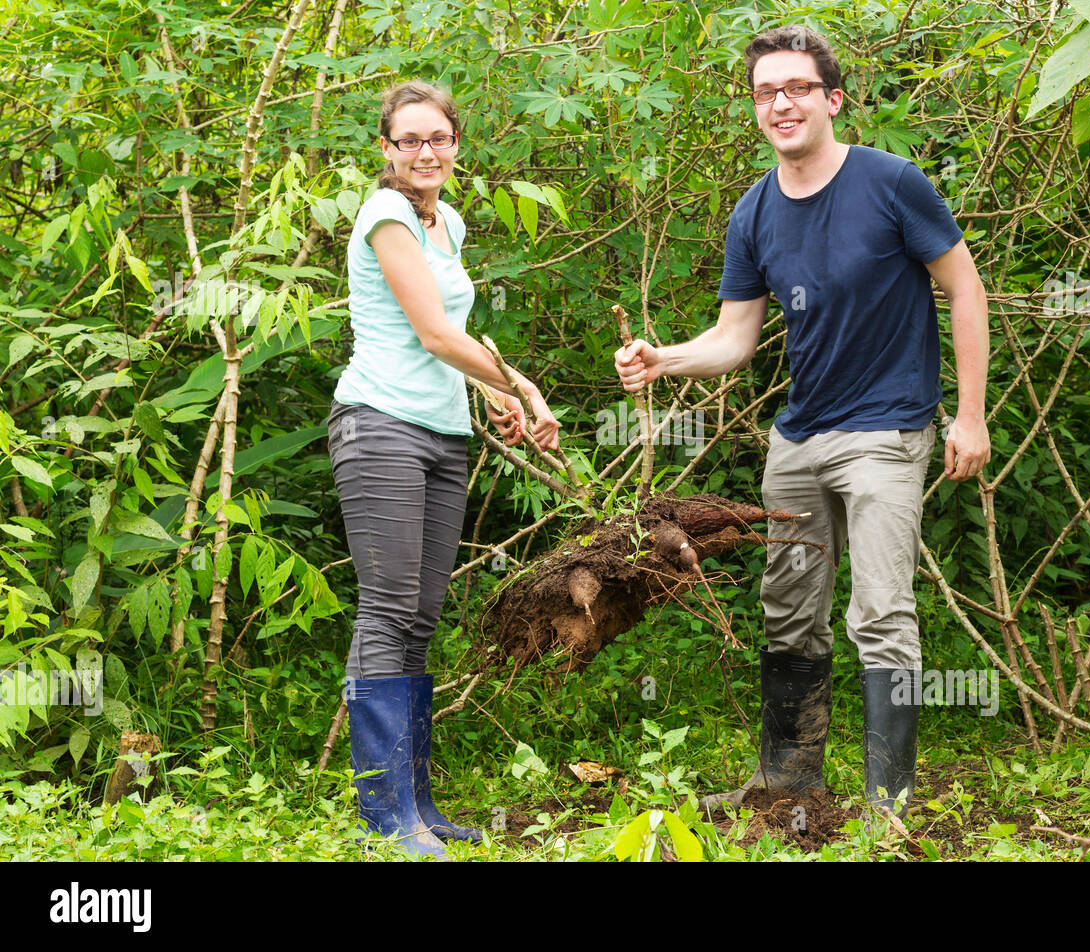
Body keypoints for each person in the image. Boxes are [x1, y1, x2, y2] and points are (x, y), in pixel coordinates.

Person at [614, 26, 990, 817]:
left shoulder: (892, 183)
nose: (780, 103)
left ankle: (887, 804)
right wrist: (662, 360)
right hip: (797, 439)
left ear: (832, 99)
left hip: (886, 431)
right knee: (787, 610)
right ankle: (787, 780)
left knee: (881, 611)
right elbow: (734, 339)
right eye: (764, 92)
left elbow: (966, 288)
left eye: (796, 88)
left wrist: (971, 414)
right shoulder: (753, 213)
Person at [329, 80, 559, 858]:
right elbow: (429, 332)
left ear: (457, 143)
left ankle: (417, 803)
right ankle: (386, 818)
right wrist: (517, 384)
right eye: (409, 141)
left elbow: (446, 335)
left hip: (440, 432)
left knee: (421, 616)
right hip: (379, 426)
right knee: (389, 608)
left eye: (440, 138)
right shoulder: (386, 215)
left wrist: (485, 392)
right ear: (385, 150)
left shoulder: (447, 221)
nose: (426, 153)